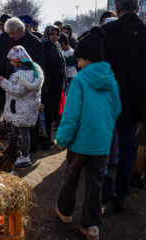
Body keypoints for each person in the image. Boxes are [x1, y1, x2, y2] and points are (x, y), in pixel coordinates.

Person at [55, 27, 122, 240]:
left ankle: (65, 212)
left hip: (79, 143)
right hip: (102, 142)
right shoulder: (112, 79)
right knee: (95, 182)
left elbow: (71, 114)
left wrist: (62, 139)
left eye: (79, 59)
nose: (77, 63)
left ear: (87, 58)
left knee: (71, 177)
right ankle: (91, 226)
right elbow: (117, 109)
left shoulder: (80, 80)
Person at [101, 0, 146, 212]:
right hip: (136, 100)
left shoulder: (107, 31)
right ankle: (121, 195)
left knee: (99, 143)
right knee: (127, 147)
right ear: (137, 9)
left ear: (117, 8)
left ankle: (106, 185)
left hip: (108, 97)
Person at [0, 45, 44, 168]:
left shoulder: (25, 74)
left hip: (22, 108)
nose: (11, 63)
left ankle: (24, 156)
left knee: (23, 132)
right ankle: (16, 153)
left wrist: (4, 82)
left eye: (12, 60)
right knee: (16, 130)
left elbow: (18, 92)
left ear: (18, 60)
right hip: (20, 108)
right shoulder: (29, 72)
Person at [5, 17, 45, 154]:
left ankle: (29, 150)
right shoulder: (12, 40)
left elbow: (39, 67)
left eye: (12, 34)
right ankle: (18, 149)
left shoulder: (35, 42)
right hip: (16, 86)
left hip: (29, 87)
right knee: (17, 123)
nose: (10, 37)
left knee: (27, 124)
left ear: (20, 30)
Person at [40, 25, 66, 150]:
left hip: (57, 85)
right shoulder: (42, 46)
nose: (54, 36)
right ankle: (44, 140)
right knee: (47, 113)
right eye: (52, 34)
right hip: (46, 85)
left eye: (56, 34)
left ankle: (48, 138)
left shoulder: (57, 47)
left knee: (54, 112)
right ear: (47, 34)